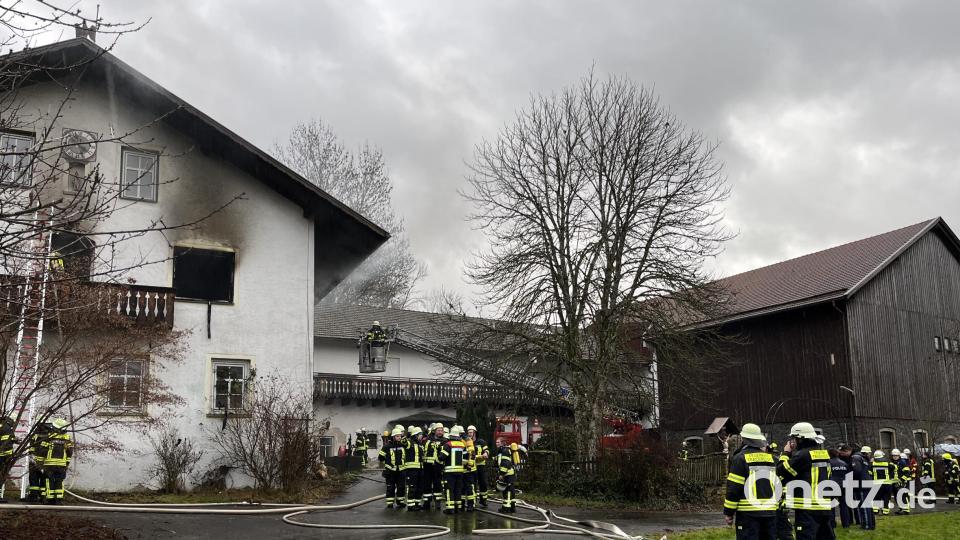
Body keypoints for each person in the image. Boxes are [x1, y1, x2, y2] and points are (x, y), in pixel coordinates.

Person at [776, 422, 834, 540]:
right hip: (824, 507)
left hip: (807, 509)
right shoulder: (823, 454)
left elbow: (781, 471)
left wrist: (786, 453)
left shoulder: (803, 455)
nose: (793, 442)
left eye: (794, 439)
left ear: (800, 439)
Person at [722, 423, 777, 539]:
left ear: (744, 438)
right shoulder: (771, 459)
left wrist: (729, 512)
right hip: (770, 513)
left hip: (748, 515)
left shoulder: (740, 459)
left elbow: (734, 488)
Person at [39, 418, 72, 504]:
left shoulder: (48, 436)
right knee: (59, 481)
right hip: (61, 464)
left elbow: (42, 451)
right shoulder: (66, 437)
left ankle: (50, 499)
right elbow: (69, 452)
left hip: (49, 464)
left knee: (49, 480)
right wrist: (67, 463)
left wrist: (40, 463)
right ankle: (58, 500)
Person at [440, 425, 466, 514]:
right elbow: (466, 458)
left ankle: (450, 508)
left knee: (449, 489)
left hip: (449, 471)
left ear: (450, 436)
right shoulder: (463, 445)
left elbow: (442, 457)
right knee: (458, 489)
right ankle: (458, 508)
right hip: (460, 471)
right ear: (458, 436)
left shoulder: (448, 445)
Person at [378, 426, 405, 508]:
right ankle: (390, 503)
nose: (399, 437)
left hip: (401, 471)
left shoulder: (403, 445)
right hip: (390, 471)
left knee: (401, 487)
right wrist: (387, 463)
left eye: (400, 436)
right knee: (390, 487)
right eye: (397, 436)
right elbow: (381, 457)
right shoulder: (387, 447)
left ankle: (400, 502)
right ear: (393, 437)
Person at [850, 446, 875, 530]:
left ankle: (867, 526)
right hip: (867, 484)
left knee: (864, 506)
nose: (870, 455)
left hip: (861, 485)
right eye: (869, 453)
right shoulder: (864, 460)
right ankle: (871, 525)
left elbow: (857, 471)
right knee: (868, 505)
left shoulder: (856, 458)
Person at [829, 446, 853, 529]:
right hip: (843, 486)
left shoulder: (828, 464)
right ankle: (846, 524)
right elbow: (849, 475)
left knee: (832, 506)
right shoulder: (844, 463)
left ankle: (832, 524)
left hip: (832, 486)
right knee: (844, 506)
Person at [402, 426, 424, 511]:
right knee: (412, 487)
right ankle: (411, 505)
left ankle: (417, 503)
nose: (421, 436)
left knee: (419, 487)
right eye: (420, 434)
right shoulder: (409, 443)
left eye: (421, 434)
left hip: (420, 469)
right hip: (411, 470)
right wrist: (406, 436)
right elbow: (403, 441)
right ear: (415, 435)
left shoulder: (420, 444)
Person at [469, 425, 490, 507]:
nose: (469, 434)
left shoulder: (481, 441)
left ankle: (483, 500)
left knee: (483, 483)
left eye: (471, 432)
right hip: (472, 466)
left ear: (475, 432)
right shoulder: (467, 442)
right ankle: (473, 501)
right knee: (473, 484)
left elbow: (486, 450)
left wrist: (486, 453)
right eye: (468, 432)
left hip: (481, 466)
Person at [496, 437, 517, 513]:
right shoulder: (503, 450)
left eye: (498, 442)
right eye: (496, 442)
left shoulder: (505, 451)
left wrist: (501, 474)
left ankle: (506, 508)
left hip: (507, 474)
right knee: (511, 491)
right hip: (509, 474)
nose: (496, 444)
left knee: (507, 491)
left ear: (502, 443)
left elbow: (505, 463)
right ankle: (512, 507)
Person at [871, 450, 893, 515]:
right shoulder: (888, 464)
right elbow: (894, 468)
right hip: (886, 484)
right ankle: (885, 511)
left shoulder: (872, 464)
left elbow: (869, 473)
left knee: (876, 497)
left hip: (876, 484)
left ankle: (875, 510)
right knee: (886, 498)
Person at [895, 449, 914, 514]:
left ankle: (906, 510)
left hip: (905, 481)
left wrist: (902, 480)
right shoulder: (902, 463)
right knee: (901, 495)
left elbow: (907, 473)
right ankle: (902, 509)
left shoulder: (903, 463)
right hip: (904, 481)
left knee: (904, 495)